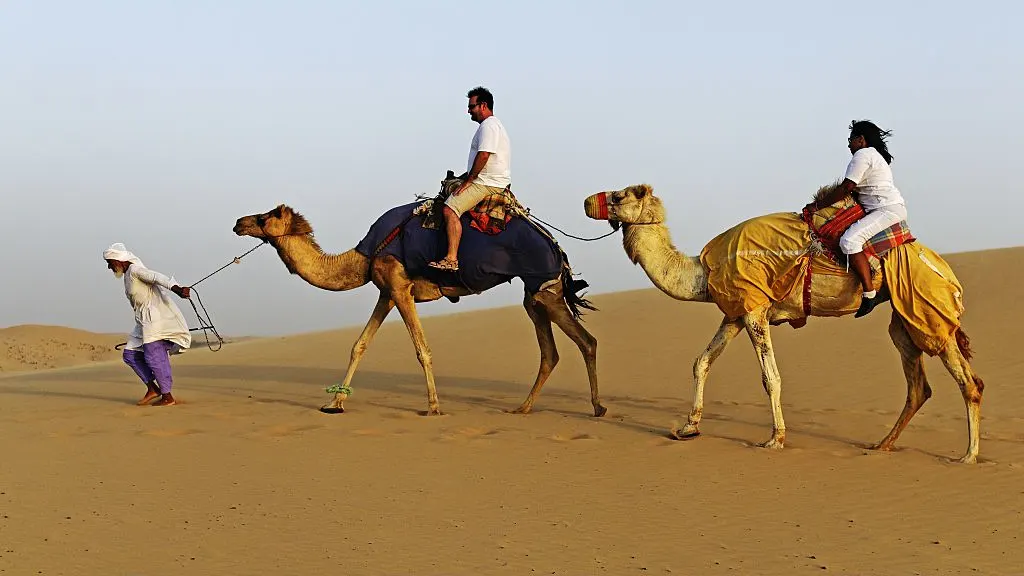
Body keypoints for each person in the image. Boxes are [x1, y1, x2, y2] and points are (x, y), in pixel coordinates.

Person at [806, 120, 908, 318]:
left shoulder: (863, 155)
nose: (849, 145)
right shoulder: (873, 156)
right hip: (885, 208)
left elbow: (846, 188)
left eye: (851, 140)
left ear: (861, 140)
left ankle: (869, 293)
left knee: (849, 241)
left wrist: (818, 206)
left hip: (885, 209)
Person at [429, 86, 512, 272]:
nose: (468, 110)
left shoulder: (489, 126)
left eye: (471, 106)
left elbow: (483, 155)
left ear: (483, 105)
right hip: (487, 179)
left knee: (450, 208)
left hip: (486, 183)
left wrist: (468, 181)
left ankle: (451, 259)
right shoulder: (493, 125)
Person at [103, 243, 192, 406]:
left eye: (110, 263)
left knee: (153, 355)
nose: (109, 267)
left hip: (155, 318)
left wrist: (177, 289)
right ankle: (152, 388)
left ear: (119, 260)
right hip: (142, 320)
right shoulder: (127, 275)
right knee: (129, 354)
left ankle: (167, 396)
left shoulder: (135, 270)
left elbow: (156, 277)